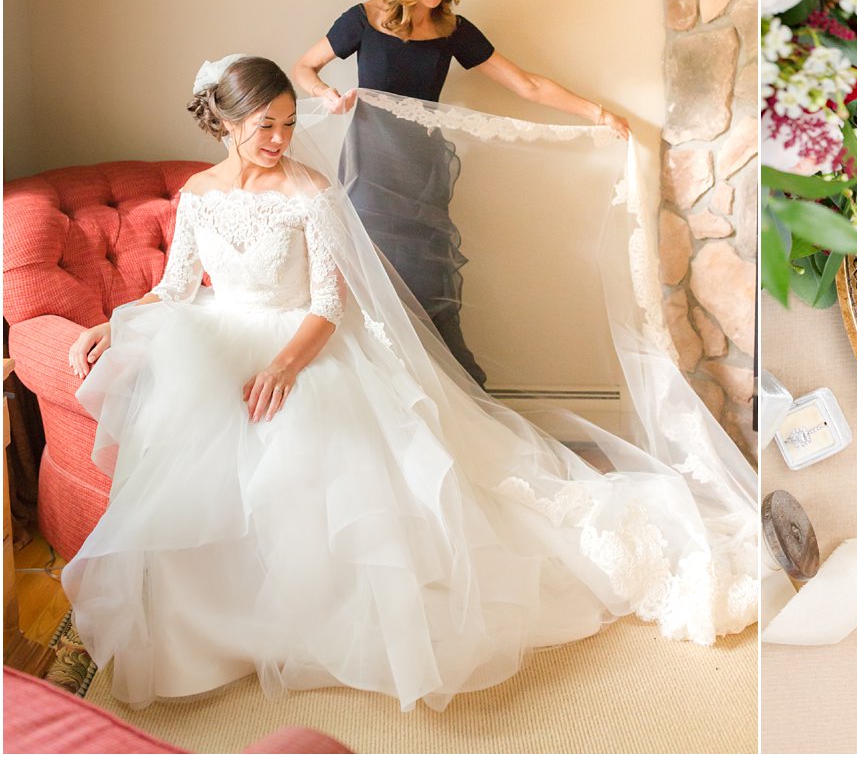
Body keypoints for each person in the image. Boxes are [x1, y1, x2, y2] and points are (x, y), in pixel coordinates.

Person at [63, 56, 756, 712]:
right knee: (190, 432)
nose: (279, 137)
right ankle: (222, 629)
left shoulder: (311, 191)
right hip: (221, 337)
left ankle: (318, 622)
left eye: (286, 122)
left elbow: (330, 306)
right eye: (264, 124)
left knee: (303, 452)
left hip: (301, 344)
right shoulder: (198, 196)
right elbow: (177, 287)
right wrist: (115, 325)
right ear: (226, 121)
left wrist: (283, 366)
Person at [292, 0, 629, 386]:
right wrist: (326, 95)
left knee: (431, 284)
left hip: (425, 171)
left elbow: (526, 84)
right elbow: (304, 67)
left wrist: (599, 114)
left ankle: (455, 397)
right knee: (376, 283)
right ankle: (384, 397)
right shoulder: (363, 20)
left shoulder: (452, 28)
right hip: (370, 171)